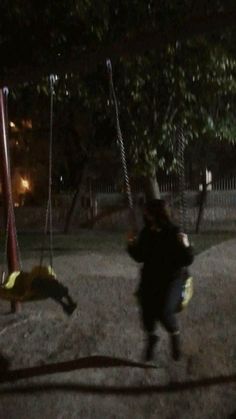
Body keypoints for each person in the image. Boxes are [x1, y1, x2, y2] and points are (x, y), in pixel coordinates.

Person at [127, 199, 194, 362]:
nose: (144, 214)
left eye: (147, 212)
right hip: (150, 279)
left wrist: (186, 245)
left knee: (164, 311)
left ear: (155, 214)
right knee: (147, 315)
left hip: (173, 280)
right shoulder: (146, 233)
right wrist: (131, 243)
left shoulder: (173, 232)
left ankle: (174, 337)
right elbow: (139, 256)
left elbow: (187, 260)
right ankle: (151, 339)